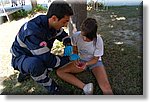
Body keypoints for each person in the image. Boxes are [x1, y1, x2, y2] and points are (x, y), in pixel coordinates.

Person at [10, 1, 79, 94]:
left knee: (42, 62)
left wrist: (68, 47)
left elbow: (64, 36)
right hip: (20, 57)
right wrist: (69, 59)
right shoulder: (33, 32)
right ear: (54, 18)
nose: (66, 25)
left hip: (34, 53)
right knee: (36, 65)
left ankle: (26, 71)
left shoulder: (50, 22)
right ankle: (53, 89)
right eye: (64, 22)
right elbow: (49, 60)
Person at [57, 18, 113, 95]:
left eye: (87, 37)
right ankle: (85, 87)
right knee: (60, 72)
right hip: (81, 60)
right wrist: (75, 58)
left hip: (95, 63)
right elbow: (75, 51)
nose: (84, 39)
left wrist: (86, 64)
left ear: (93, 36)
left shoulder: (98, 40)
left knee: (106, 88)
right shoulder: (76, 36)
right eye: (83, 35)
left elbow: (96, 59)